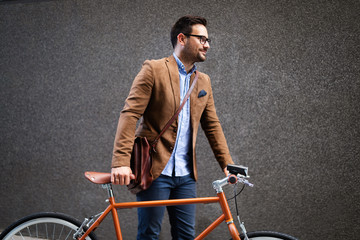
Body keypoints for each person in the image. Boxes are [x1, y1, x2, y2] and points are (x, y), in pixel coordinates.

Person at [110, 15, 234, 240]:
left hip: (186, 176)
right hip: (155, 172)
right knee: (149, 235)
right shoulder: (154, 69)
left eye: (208, 39)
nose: (207, 44)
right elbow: (130, 115)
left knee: (186, 237)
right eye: (202, 39)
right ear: (182, 38)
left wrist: (228, 165)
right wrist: (120, 162)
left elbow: (213, 126)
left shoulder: (203, 81)